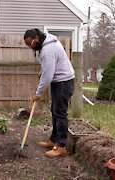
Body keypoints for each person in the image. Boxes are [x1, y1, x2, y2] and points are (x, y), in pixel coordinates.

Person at [23, 28, 74, 158]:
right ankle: (53, 140)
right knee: (55, 111)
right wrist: (43, 70)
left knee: (60, 113)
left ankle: (61, 146)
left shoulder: (47, 50)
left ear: (37, 39)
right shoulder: (47, 43)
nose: (30, 47)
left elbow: (48, 76)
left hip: (63, 83)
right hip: (60, 81)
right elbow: (49, 67)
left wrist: (38, 94)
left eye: (31, 44)